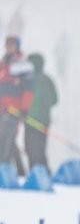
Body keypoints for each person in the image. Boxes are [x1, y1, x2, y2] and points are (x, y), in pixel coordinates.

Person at [0, 35, 33, 174]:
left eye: (12, 45)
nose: (9, 47)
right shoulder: (3, 63)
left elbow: (28, 91)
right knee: (10, 141)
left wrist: (24, 109)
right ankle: (21, 171)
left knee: (5, 138)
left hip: (13, 110)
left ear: (17, 47)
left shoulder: (22, 65)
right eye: (7, 45)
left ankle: (3, 168)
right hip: (2, 109)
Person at [24, 53, 59, 175]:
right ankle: (41, 173)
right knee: (39, 148)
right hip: (42, 121)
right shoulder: (47, 79)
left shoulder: (29, 80)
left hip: (31, 120)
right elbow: (55, 99)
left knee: (31, 148)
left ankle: (37, 173)